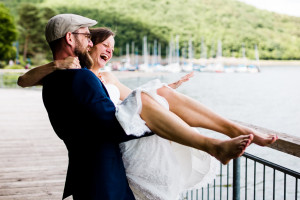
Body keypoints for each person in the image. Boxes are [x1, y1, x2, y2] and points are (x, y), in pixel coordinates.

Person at [18, 20, 277, 199]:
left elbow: (129, 99)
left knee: (159, 91)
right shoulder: (76, 75)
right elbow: (24, 80)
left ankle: (238, 130)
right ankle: (212, 145)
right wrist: (57, 65)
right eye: (103, 44)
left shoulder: (107, 78)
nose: (109, 50)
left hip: (117, 132)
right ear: (88, 45)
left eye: (112, 47)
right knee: (150, 94)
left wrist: (164, 94)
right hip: (115, 141)